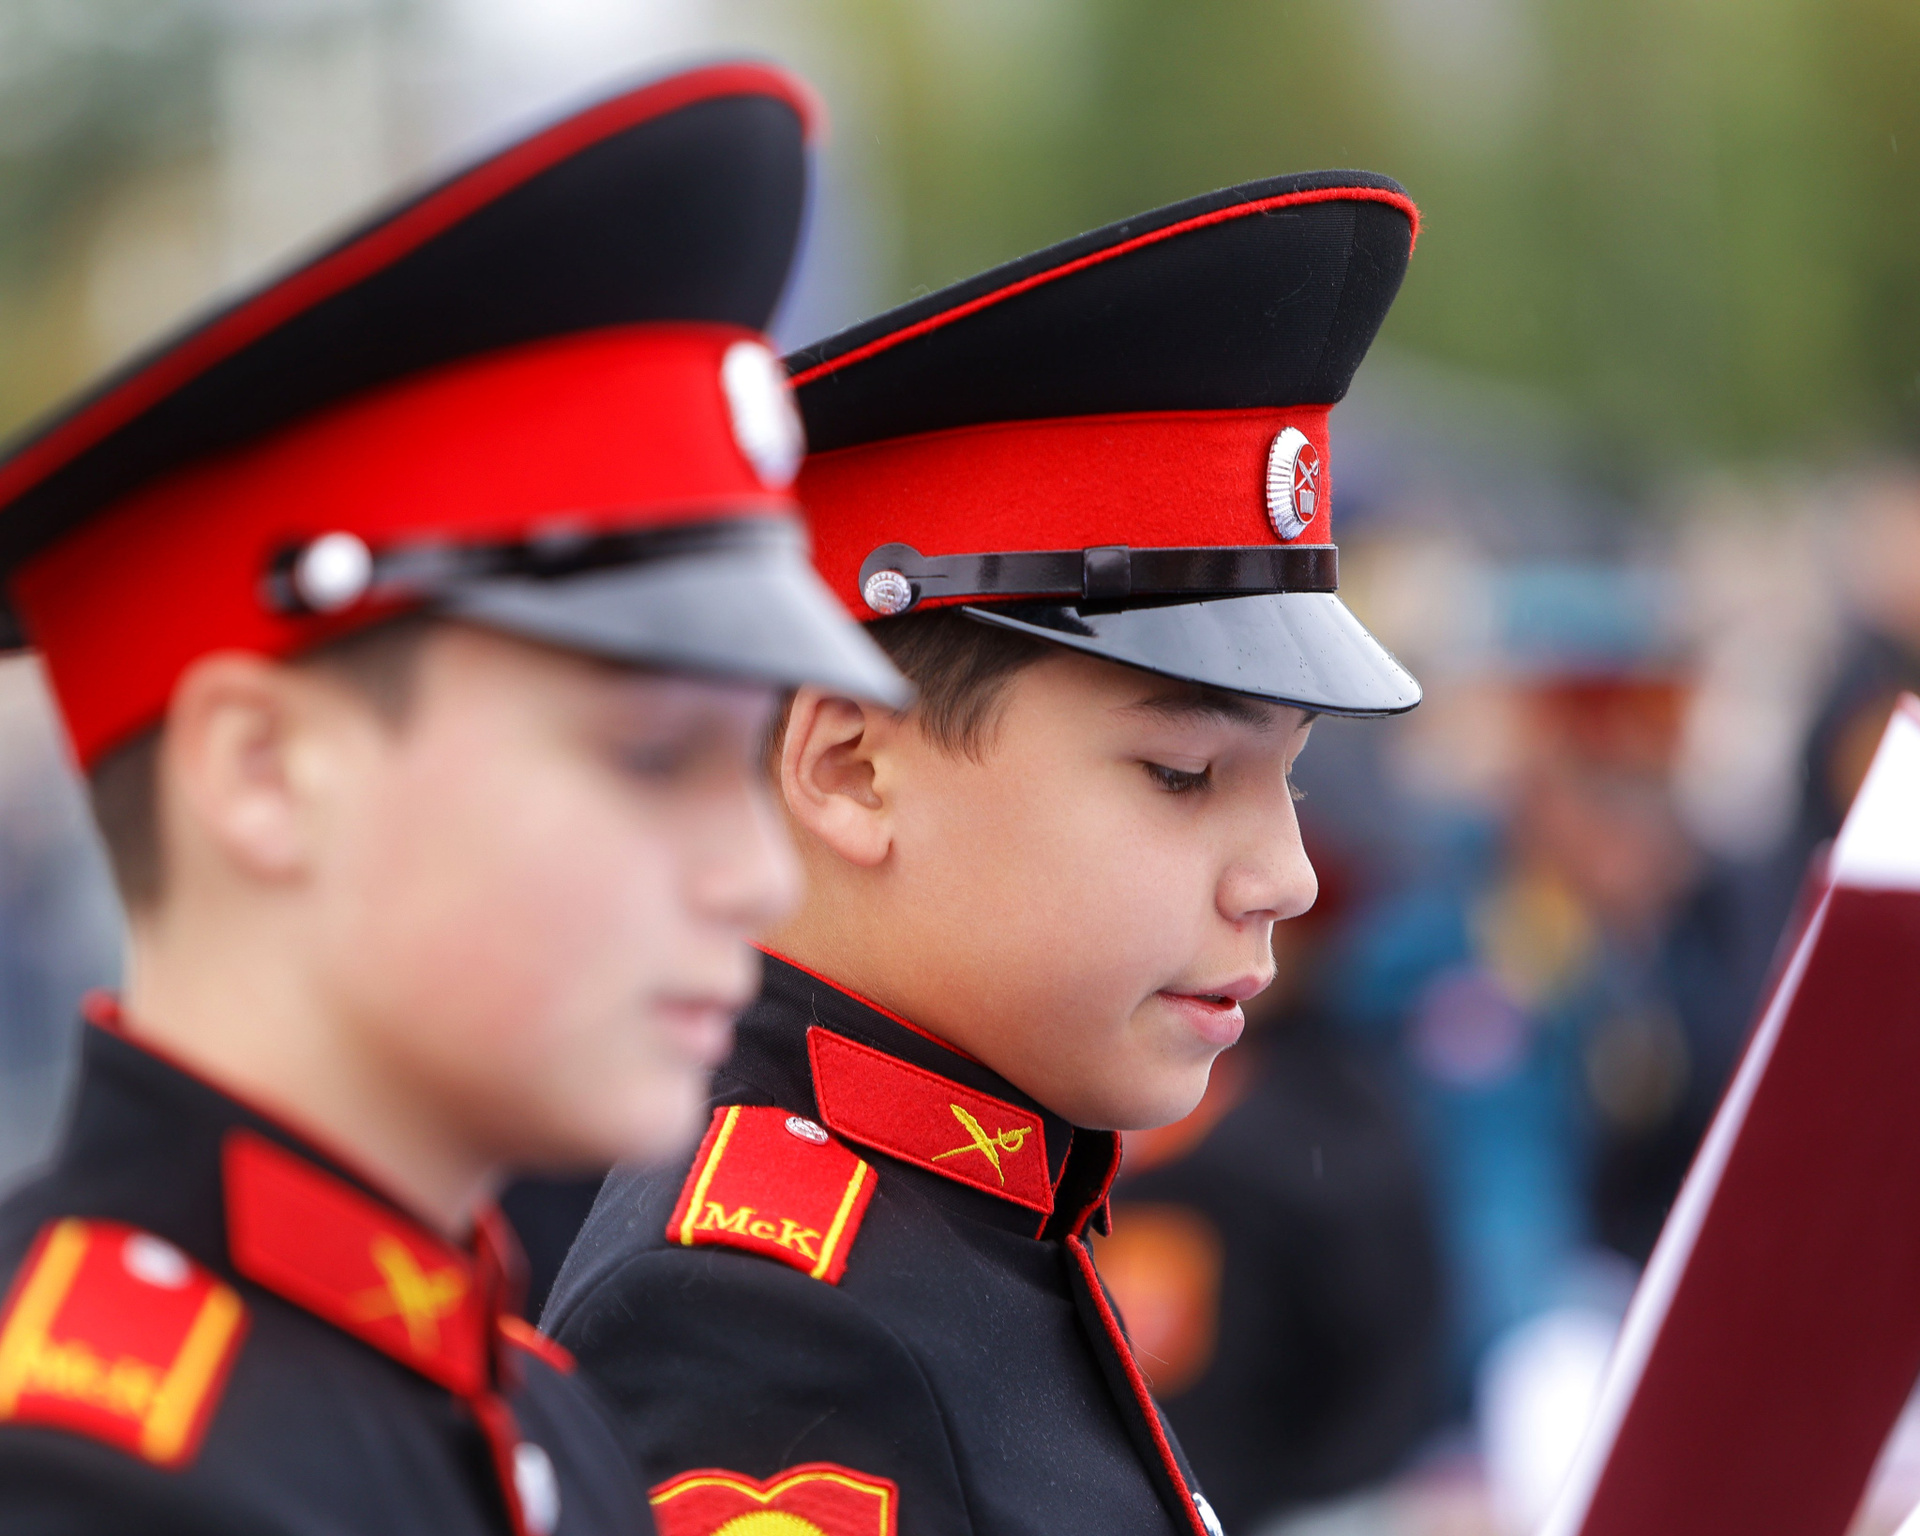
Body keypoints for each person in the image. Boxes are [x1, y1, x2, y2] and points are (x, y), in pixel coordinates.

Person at [0, 63, 905, 1535]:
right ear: (261, 772)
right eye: (651, 756)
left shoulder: (522, 1408)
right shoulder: (82, 1479)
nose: (761, 876)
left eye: (748, 763)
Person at [544, 171, 1424, 1536]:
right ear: (850, 769)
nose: (1288, 876)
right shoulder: (755, 1321)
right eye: (1184, 774)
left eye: (1290, 774)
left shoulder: (982, 1212)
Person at [1097, 875, 1443, 1534]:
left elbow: (1192, 1424)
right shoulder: (1353, 1102)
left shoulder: (1263, 1150)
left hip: (1271, 1503)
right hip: (1324, 1482)